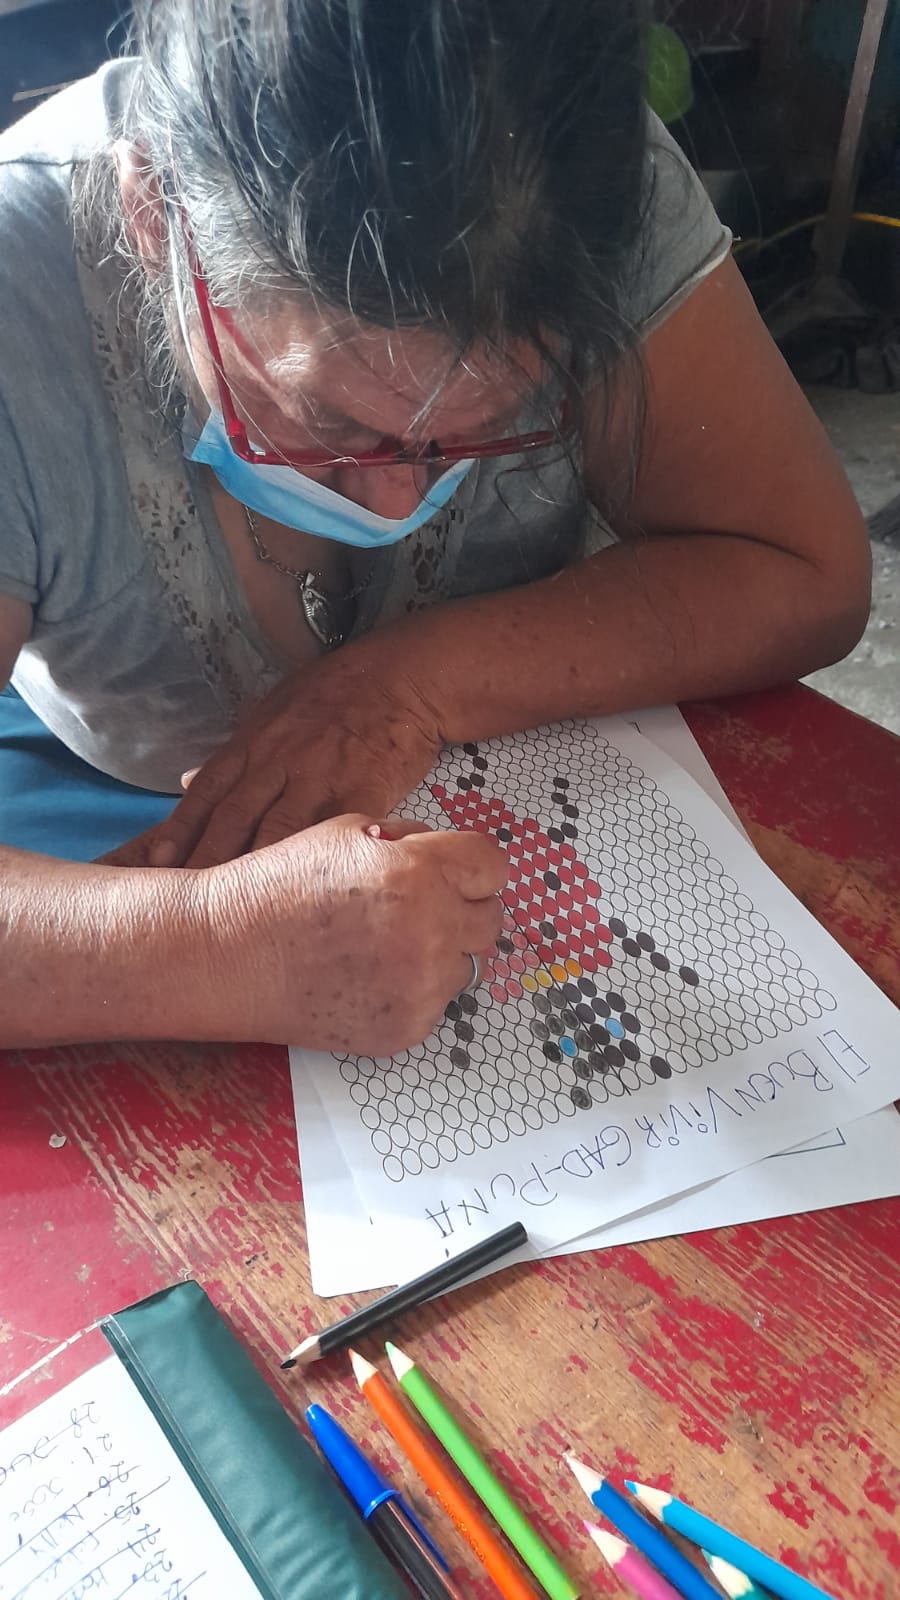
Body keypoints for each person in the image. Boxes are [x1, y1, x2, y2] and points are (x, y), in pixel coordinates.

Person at [0, 0, 870, 1052]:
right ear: (152, 219)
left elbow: (803, 569)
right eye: (326, 422)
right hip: (119, 802)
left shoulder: (563, 183)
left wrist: (407, 684)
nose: (398, 503)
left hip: (528, 782)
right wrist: (216, 946)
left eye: (490, 424)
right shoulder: (18, 293)